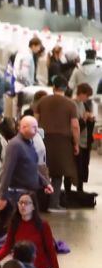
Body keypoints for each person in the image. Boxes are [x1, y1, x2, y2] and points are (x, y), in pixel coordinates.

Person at [0, 192, 61, 268]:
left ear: (33, 206)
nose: (23, 206)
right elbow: (7, 246)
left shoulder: (43, 225)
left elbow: (51, 250)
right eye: (20, 203)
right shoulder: (14, 224)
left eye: (27, 203)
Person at [34, 78, 80, 212]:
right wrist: (76, 143)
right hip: (63, 142)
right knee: (58, 173)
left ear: (53, 87)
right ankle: (53, 204)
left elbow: (34, 122)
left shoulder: (42, 101)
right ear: (66, 88)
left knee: (42, 171)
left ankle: (38, 203)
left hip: (43, 140)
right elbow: (75, 126)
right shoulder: (71, 104)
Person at [0, 117, 53, 213]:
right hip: (17, 195)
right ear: (24, 128)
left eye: (36, 127)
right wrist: (3, 196)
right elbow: (7, 171)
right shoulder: (15, 145)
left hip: (29, 193)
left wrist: (45, 183)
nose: (36, 130)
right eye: (33, 127)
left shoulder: (30, 143)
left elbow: (32, 168)